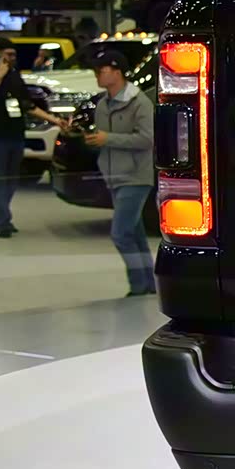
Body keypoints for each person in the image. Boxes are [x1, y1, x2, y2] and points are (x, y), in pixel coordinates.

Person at [81, 49, 157, 297]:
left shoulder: (140, 103)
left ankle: (138, 285)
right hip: (113, 176)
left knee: (121, 233)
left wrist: (108, 139)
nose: (97, 75)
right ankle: (149, 283)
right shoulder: (102, 104)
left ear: (117, 72)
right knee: (134, 233)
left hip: (136, 176)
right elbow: (105, 138)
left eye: (101, 70)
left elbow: (147, 139)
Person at [0, 38, 62, 237]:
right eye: (8, 54)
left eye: (14, 55)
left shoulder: (15, 75)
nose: (12, 58)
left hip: (16, 133)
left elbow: (27, 105)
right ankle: (4, 221)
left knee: (12, 178)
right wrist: (0, 75)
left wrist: (54, 120)